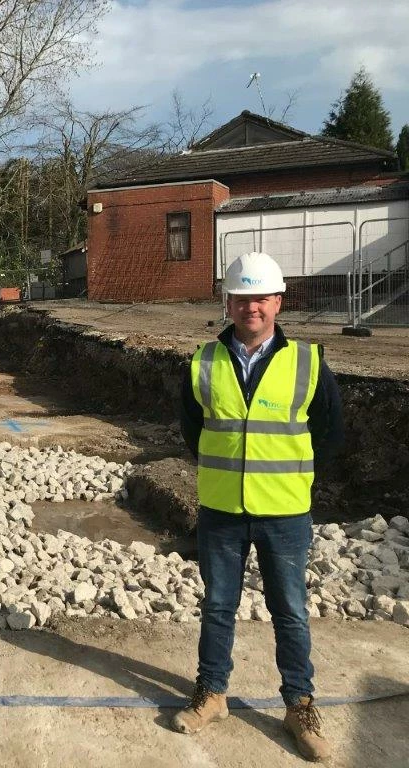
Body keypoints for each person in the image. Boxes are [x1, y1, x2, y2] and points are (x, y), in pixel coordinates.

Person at [174, 252, 344, 762]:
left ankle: (299, 704)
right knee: (218, 604)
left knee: (290, 610)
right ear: (229, 301)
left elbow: (330, 434)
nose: (252, 307)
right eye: (243, 297)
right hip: (222, 510)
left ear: (278, 301)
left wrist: (294, 480)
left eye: (261, 297)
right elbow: (193, 432)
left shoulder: (307, 362)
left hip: (285, 512)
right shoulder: (203, 362)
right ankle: (212, 693)